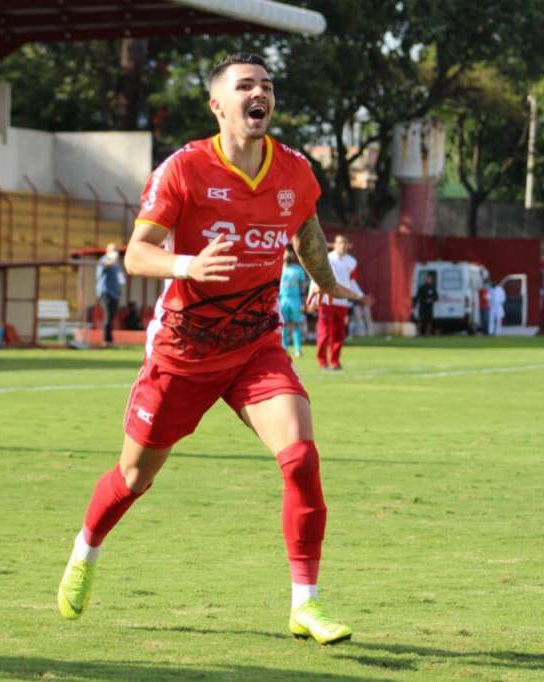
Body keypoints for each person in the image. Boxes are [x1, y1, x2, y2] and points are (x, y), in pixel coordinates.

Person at [56, 53, 358, 645]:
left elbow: (305, 227)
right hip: (183, 350)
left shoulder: (294, 169)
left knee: (300, 457)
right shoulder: (184, 168)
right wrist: (187, 264)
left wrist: (323, 279)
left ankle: (306, 603)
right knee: (133, 477)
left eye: (266, 85)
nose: (259, 92)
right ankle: (85, 549)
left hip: (255, 345)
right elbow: (137, 253)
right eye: (245, 85)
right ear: (218, 104)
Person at [314, 234, 363, 370]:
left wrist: (360, 296)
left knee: (339, 334)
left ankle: (335, 361)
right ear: (334, 244)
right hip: (326, 301)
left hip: (342, 303)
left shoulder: (352, 262)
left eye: (345, 243)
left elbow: (352, 282)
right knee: (324, 333)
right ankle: (322, 361)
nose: (342, 245)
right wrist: (314, 298)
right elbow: (316, 277)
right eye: (340, 242)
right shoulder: (327, 258)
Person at [279, 246, 308, 356]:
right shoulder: (279, 268)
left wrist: (303, 302)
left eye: (290, 253)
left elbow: (303, 287)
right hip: (281, 299)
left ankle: (297, 349)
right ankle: (284, 348)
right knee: (283, 324)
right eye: (286, 253)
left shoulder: (298, 270)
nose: (288, 255)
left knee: (296, 324)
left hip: (295, 300)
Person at [96, 243, 126, 346]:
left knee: (111, 317)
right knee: (108, 315)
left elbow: (120, 278)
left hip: (115, 294)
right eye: (113, 250)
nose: (115, 252)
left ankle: (110, 340)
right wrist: (112, 261)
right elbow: (104, 265)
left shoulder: (116, 264)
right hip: (105, 292)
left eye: (115, 250)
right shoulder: (103, 260)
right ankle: (106, 340)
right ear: (107, 251)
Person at [413, 272, 437, 337]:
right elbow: (418, 296)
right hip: (422, 306)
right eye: (427, 279)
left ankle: (427, 333)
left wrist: (431, 300)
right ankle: (418, 333)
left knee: (429, 321)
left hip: (429, 307)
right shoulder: (422, 288)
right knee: (420, 320)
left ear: (431, 280)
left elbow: (436, 297)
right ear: (425, 280)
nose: (428, 280)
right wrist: (415, 304)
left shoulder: (433, 288)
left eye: (429, 279)